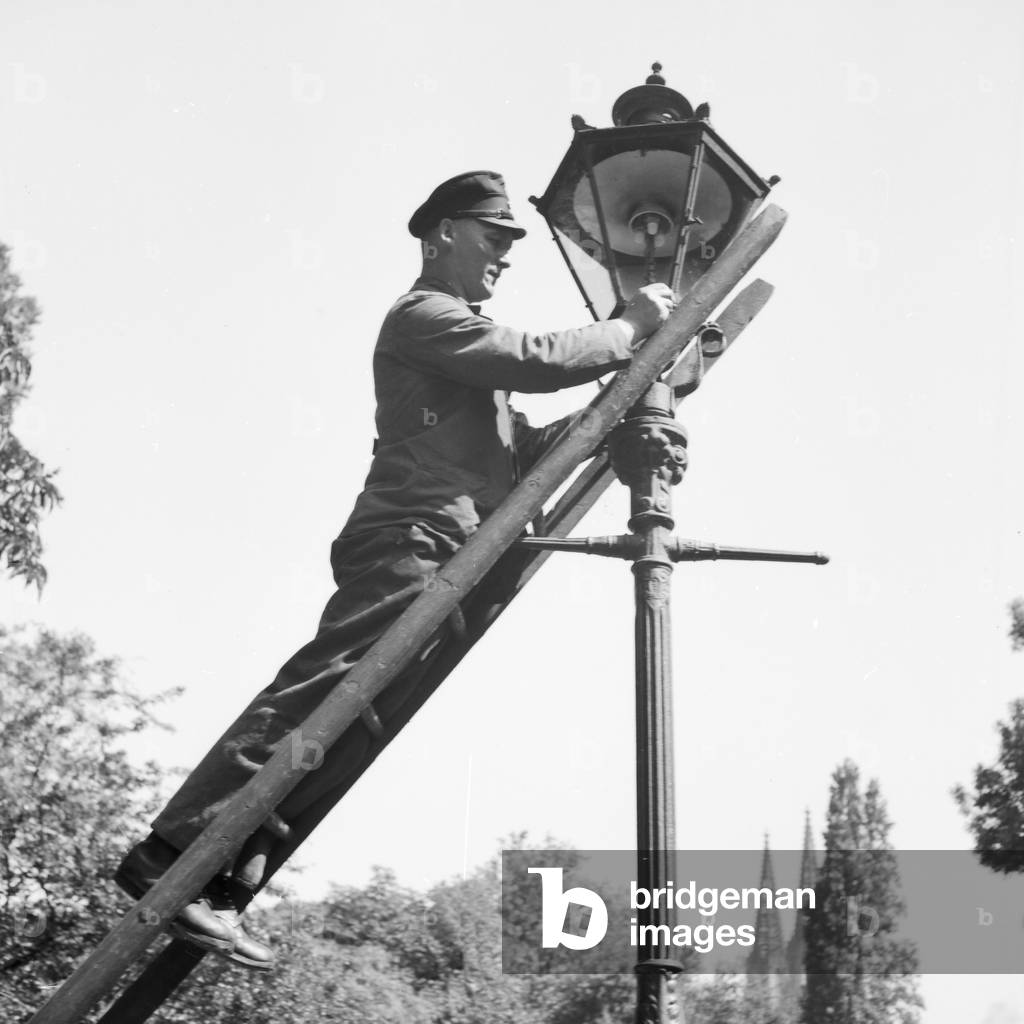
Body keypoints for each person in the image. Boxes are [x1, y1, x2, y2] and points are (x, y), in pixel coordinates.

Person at [114, 170, 676, 970]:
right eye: (494, 238)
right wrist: (629, 328)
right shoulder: (423, 316)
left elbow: (519, 452)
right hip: (411, 542)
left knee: (349, 728)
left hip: (452, 551)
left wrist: (615, 422)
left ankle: (220, 886)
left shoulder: (464, 352)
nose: (505, 258)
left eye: (512, 244)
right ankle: (168, 856)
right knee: (324, 694)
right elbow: (536, 357)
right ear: (441, 234)